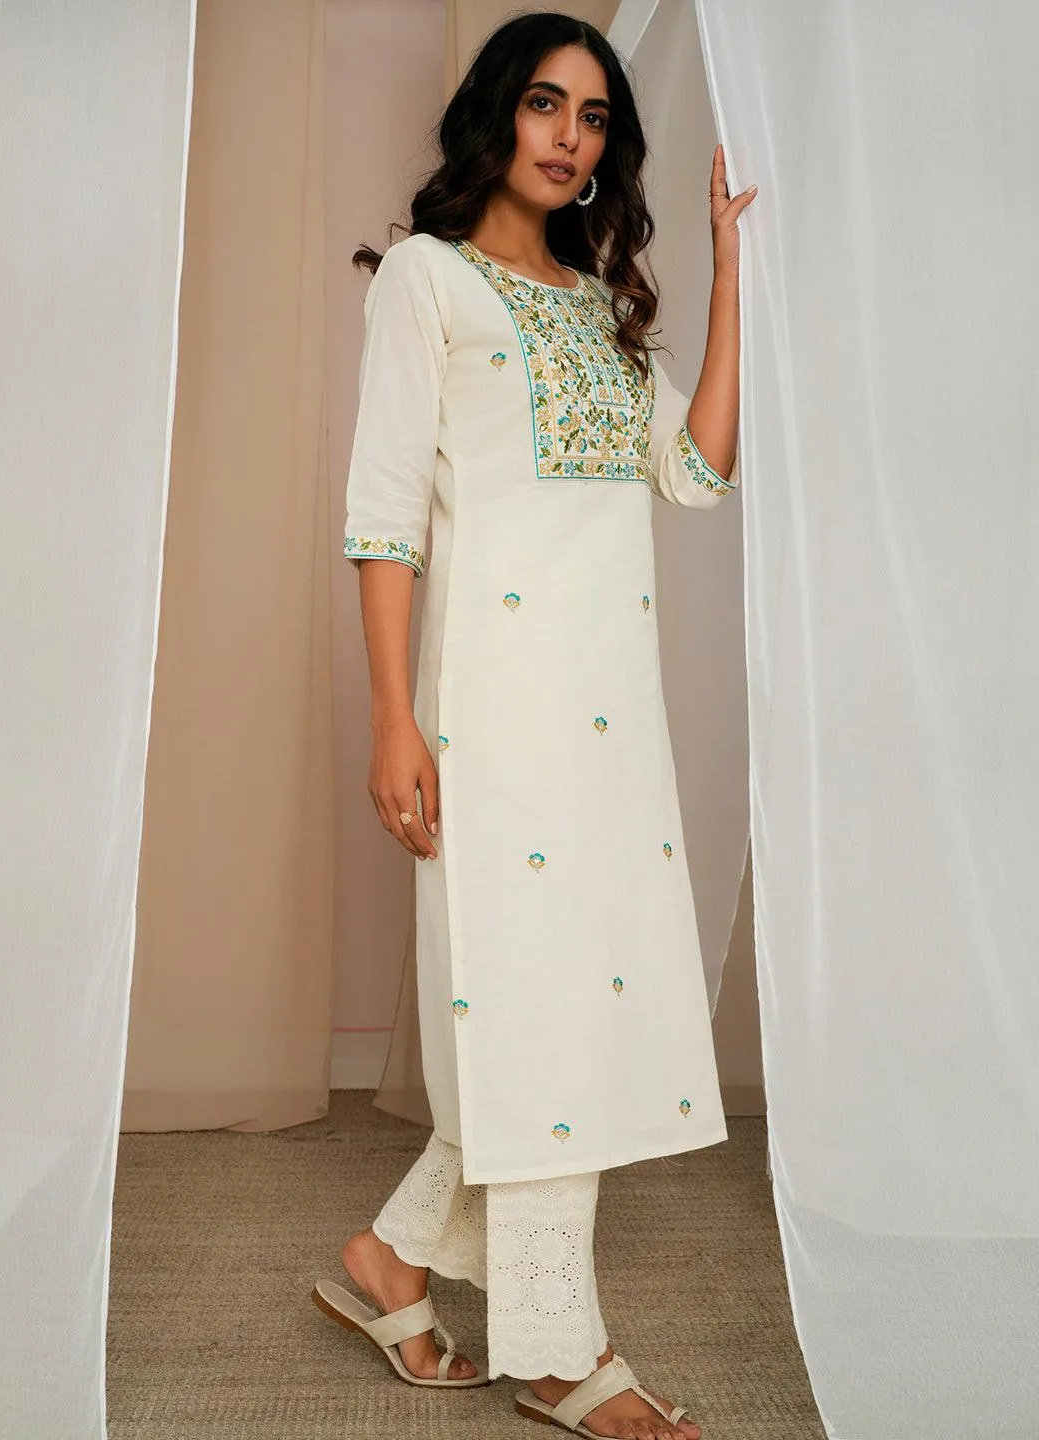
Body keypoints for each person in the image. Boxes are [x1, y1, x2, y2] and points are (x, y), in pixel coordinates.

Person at [313, 12, 754, 1439]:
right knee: (543, 1017)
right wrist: (396, 720)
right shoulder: (428, 282)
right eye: (547, 105)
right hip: (491, 719)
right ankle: (563, 1355)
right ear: (498, 113)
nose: (570, 137)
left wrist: (728, 272)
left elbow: (696, 476)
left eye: (595, 117)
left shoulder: (597, 304)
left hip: (610, 726)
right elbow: (385, 515)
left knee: (562, 1011)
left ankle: (390, 1260)